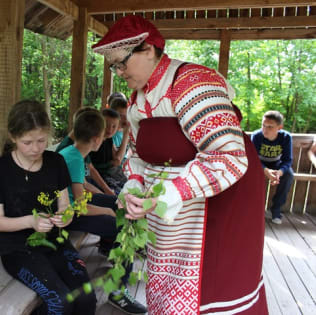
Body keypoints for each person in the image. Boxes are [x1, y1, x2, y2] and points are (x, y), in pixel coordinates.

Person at [92, 15, 268, 315]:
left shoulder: (192, 83)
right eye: (114, 66)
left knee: (209, 289)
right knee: (167, 282)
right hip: (169, 205)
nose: (118, 72)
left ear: (148, 50)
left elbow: (227, 155)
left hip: (216, 202)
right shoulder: (137, 98)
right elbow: (136, 153)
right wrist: (134, 185)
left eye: (121, 62)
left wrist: (165, 194)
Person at [0, 100, 96, 315]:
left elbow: (66, 206)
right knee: (60, 302)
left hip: (56, 243)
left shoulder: (56, 162)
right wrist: (30, 221)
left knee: (86, 297)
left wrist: (65, 217)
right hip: (19, 250)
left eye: (41, 141)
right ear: (13, 137)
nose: (36, 149)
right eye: (27, 142)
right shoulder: (0, 170)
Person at [59, 110, 147, 314]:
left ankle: (112, 250)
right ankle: (118, 291)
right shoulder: (73, 158)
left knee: (118, 203)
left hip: (73, 205)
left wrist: (110, 202)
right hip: (68, 215)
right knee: (123, 227)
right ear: (97, 139)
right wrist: (106, 211)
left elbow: (79, 189)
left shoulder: (74, 152)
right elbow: (79, 206)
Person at [55, 107, 115, 196]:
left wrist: (106, 194)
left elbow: (86, 179)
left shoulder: (75, 150)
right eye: (102, 136)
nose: (104, 139)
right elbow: (80, 203)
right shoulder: (75, 158)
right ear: (97, 139)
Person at [251, 110, 294, 225]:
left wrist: (279, 172)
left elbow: (287, 160)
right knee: (249, 175)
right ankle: (253, 209)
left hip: (276, 165)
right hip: (259, 164)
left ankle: (276, 210)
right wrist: (265, 170)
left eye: (270, 127)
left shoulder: (286, 137)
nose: (265, 129)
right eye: (263, 125)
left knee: (289, 175)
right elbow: (252, 159)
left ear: (279, 127)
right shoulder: (256, 136)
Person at [89, 108, 128, 194]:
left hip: (109, 174)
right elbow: (90, 168)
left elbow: (117, 160)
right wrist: (110, 164)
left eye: (114, 126)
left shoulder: (109, 139)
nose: (110, 130)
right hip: (99, 177)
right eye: (106, 125)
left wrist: (126, 133)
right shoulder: (93, 142)